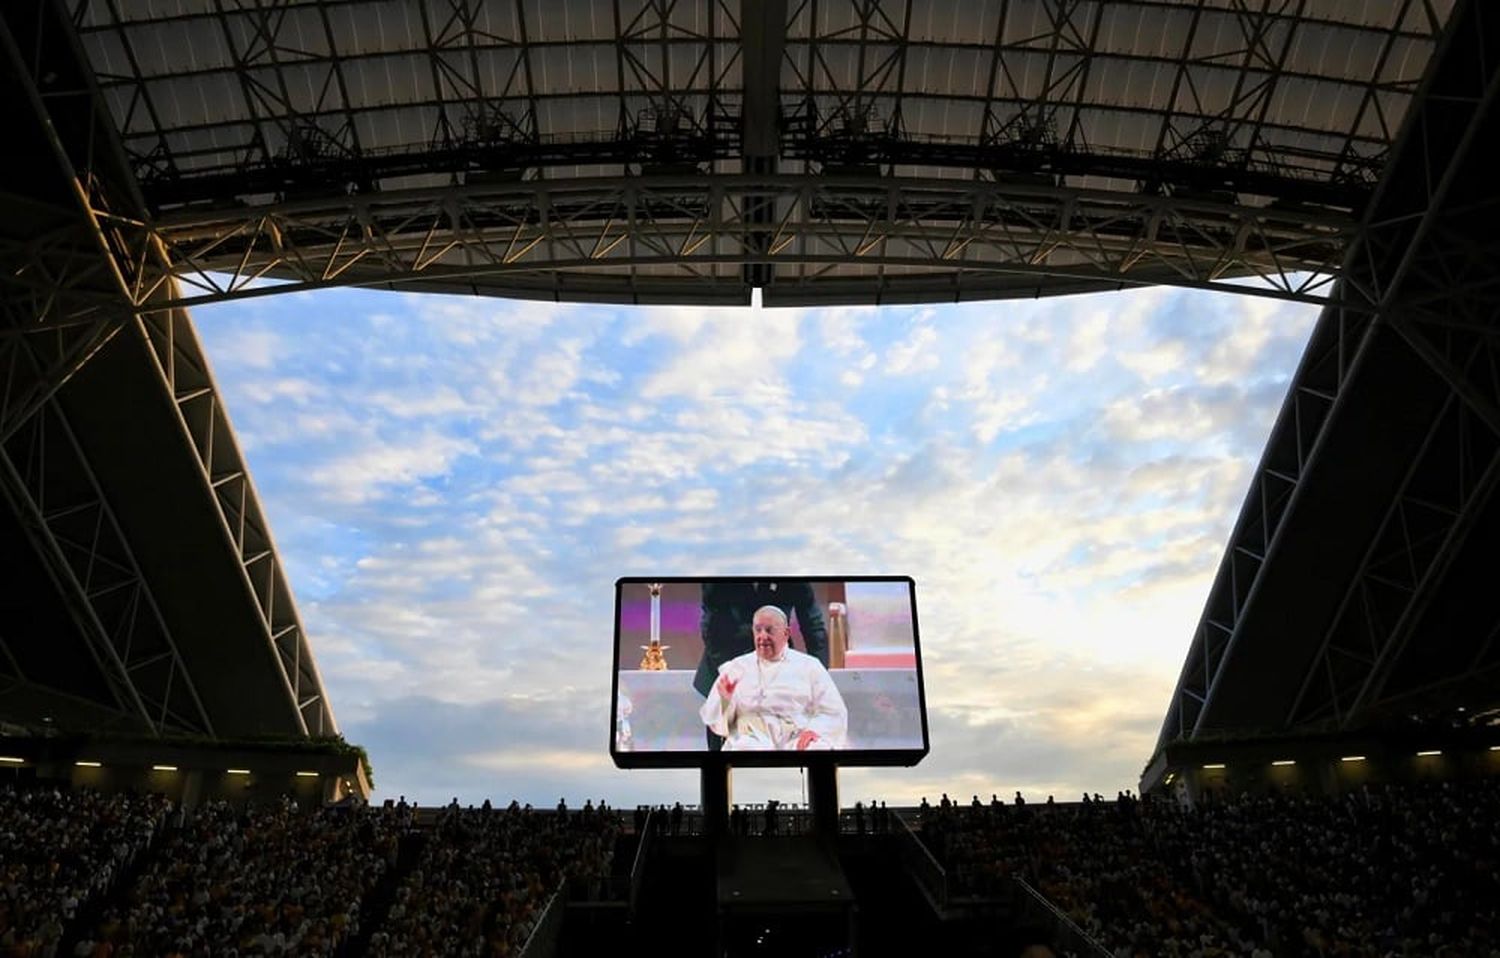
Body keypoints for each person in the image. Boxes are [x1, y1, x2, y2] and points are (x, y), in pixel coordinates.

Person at [695, 581, 829, 749]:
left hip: (779, 671)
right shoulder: (721, 569)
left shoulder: (790, 568)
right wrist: (729, 672)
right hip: (726, 661)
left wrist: (818, 677)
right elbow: (712, 624)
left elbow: (813, 623)